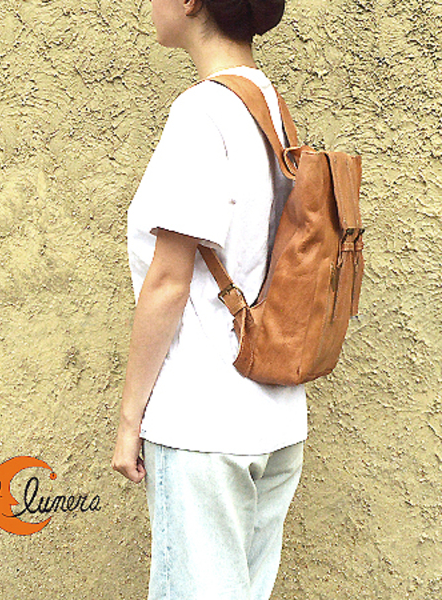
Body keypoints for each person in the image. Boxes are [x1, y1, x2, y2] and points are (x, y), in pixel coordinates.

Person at [112, 0, 307, 598]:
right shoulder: (271, 108)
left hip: (204, 423)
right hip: (276, 417)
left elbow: (168, 283)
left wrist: (130, 419)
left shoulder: (202, 112)